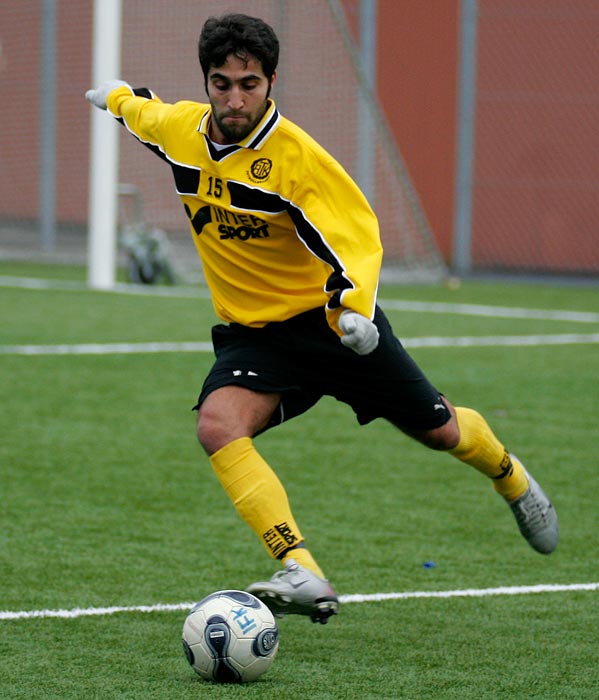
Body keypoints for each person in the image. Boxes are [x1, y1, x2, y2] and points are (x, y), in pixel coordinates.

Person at [86, 13, 558, 625]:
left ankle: (510, 475)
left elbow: (355, 235)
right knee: (217, 426)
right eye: (221, 83)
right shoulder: (183, 132)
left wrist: (354, 309)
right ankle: (301, 567)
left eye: (248, 84)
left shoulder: (297, 160)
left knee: (439, 431)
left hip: (334, 328)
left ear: (272, 81)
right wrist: (117, 99)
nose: (234, 98)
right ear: (205, 82)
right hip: (256, 336)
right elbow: (145, 115)